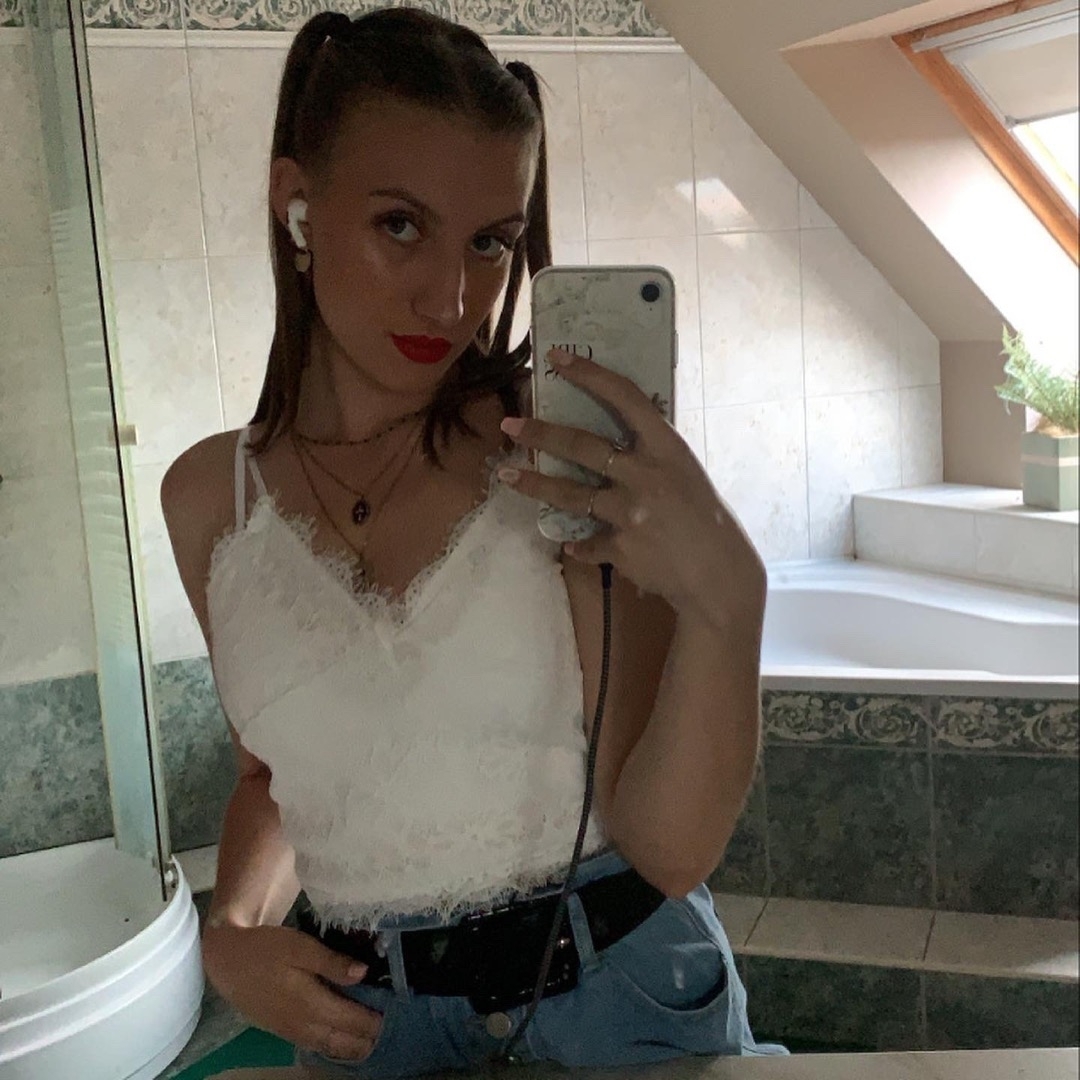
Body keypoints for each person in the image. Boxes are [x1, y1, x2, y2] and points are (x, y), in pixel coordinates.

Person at [162, 7, 787, 1077]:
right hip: (368, 1027)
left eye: (490, 241)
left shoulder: (555, 449)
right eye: (401, 225)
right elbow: (272, 774)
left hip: (614, 998)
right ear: (296, 202)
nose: (451, 297)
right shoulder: (207, 497)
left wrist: (731, 602)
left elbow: (670, 847)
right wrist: (229, 933)